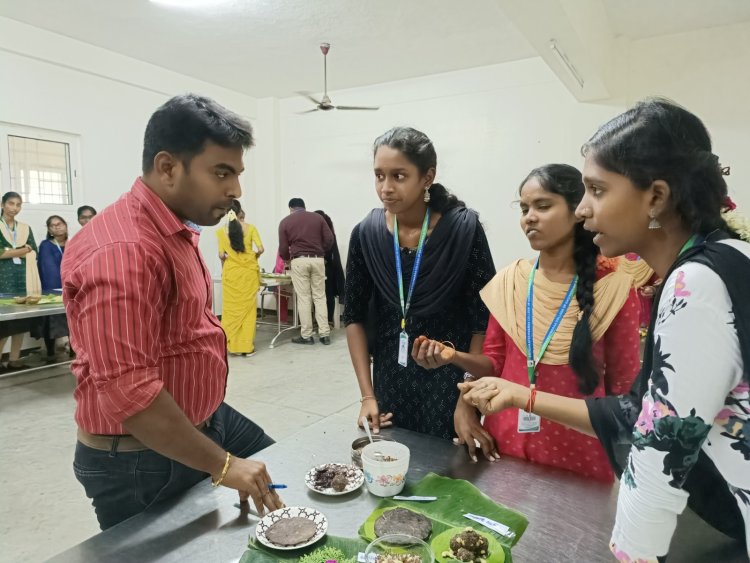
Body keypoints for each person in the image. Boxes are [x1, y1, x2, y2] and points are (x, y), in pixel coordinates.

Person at [460, 99, 750, 561]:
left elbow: (660, 456)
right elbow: (644, 412)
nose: (582, 211)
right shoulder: (728, 255)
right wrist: (518, 396)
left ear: (655, 197)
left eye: (596, 190)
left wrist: (633, 552)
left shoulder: (692, 284)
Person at [61, 94, 284, 530]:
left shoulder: (174, 228)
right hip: (140, 457)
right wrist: (223, 466)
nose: (235, 189)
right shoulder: (124, 251)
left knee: (281, 469)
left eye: (237, 174)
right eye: (221, 172)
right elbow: (132, 395)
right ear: (167, 168)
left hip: (203, 419)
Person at [413, 164, 640, 481]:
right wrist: (453, 358)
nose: (529, 217)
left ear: (578, 210)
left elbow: (625, 399)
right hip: (504, 445)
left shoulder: (614, 290)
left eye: (542, 206)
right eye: (524, 208)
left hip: (578, 456)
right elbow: (495, 364)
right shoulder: (510, 282)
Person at [343, 126, 495, 440]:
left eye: (398, 176)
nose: (385, 188)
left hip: (450, 379)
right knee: (390, 465)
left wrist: (467, 399)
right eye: (379, 175)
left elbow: (483, 320)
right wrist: (367, 396)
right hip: (389, 375)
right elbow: (353, 317)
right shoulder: (367, 234)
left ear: (427, 178)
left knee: (447, 473)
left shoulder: (462, 231)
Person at [278, 198, 334, 345]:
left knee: (304, 298)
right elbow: (329, 239)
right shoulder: (318, 218)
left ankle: (307, 335)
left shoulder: (285, 221)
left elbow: (283, 248)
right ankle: (324, 334)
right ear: (304, 206)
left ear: (291, 208)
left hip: (299, 260)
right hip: (318, 259)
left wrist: (287, 259)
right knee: (320, 296)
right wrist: (321, 252)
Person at [0, 191, 41, 371]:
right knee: (3, 325)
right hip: (3, 280)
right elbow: (1, 254)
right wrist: (23, 250)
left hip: (23, 279)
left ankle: (14, 360)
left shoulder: (25, 228)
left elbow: (34, 251)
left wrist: (13, 251)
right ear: (2, 204)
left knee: (20, 322)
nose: (14, 208)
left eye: (18, 204)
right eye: (11, 203)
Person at [217, 199, 264, 356]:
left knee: (230, 310)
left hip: (231, 274)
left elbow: (221, 255)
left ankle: (229, 344)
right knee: (249, 311)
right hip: (248, 274)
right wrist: (253, 257)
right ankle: (246, 347)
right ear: (240, 212)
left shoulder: (221, 232)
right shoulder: (250, 228)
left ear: (226, 212)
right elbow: (261, 248)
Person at [34, 215, 71, 361]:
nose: (57, 227)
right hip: (52, 290)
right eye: (52, 225)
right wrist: (58, 290)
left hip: (74, 288)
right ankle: (50, 353)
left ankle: (75, 351)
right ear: (49, 229)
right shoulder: (46, 245)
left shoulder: (74, 242)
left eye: (60, 223)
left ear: (65, 225)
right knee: (49, 321)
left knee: (72, 321)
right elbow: (48, 269)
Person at [314, 210, 345, 325]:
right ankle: (328, 320)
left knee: (321, 295)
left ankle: (322, 320)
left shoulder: (320, 235)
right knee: (328, 294)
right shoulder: (330, 233)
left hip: (324, 267)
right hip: (331, 268)